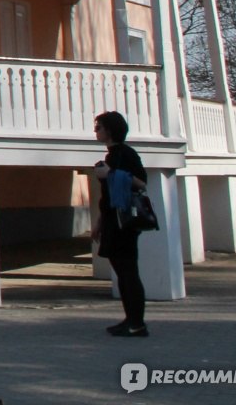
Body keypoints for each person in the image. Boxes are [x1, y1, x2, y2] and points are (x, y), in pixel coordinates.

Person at [91, 110, 148, 337]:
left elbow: (141, 182)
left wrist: (111, 173)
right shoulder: (110, 155)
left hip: (125, 221)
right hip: (112, 220)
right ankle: (130, 320)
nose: (96, 131)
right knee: (121, 273)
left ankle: (137, 323)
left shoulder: (125, 154)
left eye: (99, 127)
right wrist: (98, 223)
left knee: (128, 272)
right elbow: (106, 198)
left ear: (110, 130)